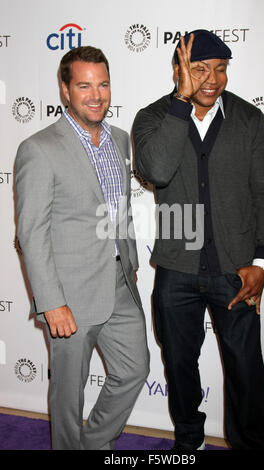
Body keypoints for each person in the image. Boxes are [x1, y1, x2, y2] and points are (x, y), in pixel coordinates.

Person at [132, 30, 264, 450]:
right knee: (179, 365)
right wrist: (180, 105)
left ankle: (251, 444)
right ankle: (189, 441)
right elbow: (158, 171)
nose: (212, 78)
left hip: (237, 270)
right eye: (199, 68)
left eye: (220, 69)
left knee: (245, 369)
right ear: (179, 70)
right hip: (177, 271)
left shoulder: (249, 120)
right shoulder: (151, 118)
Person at [15, 46, 149, 450]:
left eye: (103, 84)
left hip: (119, 283)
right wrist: (50, 301)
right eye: (84, 85)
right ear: (65, 89)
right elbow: (31, 233)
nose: (96, 95)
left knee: (134, 370)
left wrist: (131, 259)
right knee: (68, 395)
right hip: (68, 294)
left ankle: (92, 444)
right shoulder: (39, 148)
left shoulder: (121, 140)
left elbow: (120, 208)